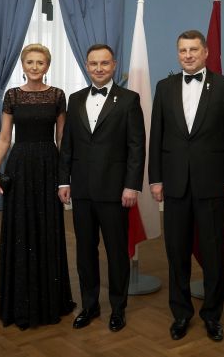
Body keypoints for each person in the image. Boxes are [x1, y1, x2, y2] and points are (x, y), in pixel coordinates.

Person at [148, 29, 224, 342]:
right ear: (178, 54)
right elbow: (156, 136)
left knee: (213, 253)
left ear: (205, 52)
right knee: (176, 252)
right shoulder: (164, 87)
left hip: (212, 184)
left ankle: (212, 316)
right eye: (182, 50)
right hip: (174, 184)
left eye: (193, 49)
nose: (188, 55)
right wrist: (155, 179)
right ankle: (181, 314)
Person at [58, 44, 145, 333]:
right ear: (86, 65)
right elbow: (67, 145)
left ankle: (118, 309)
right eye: (93, 63)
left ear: (114, 65)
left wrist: (131, 186)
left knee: (117, 253)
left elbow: (136, 148)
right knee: (85, 251)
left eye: (104, 63)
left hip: (115, 191)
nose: (98, 68)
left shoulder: (129, 100)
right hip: (82, 190)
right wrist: (64, 180)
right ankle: (90, 305)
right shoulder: (75, 99)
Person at [0, 43, 75, 330]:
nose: (35, 67)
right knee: (20, 229)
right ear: (23, 65)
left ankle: (50, 301)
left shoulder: (57, 95)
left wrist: (65, 176)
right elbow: (4, 137)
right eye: (30, 62)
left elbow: (62, 139)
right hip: (20, 166)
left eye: (40, 62)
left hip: (49, 165)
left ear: (47, 66)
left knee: (48, 227)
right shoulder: (12, 95)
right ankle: (20, 303)